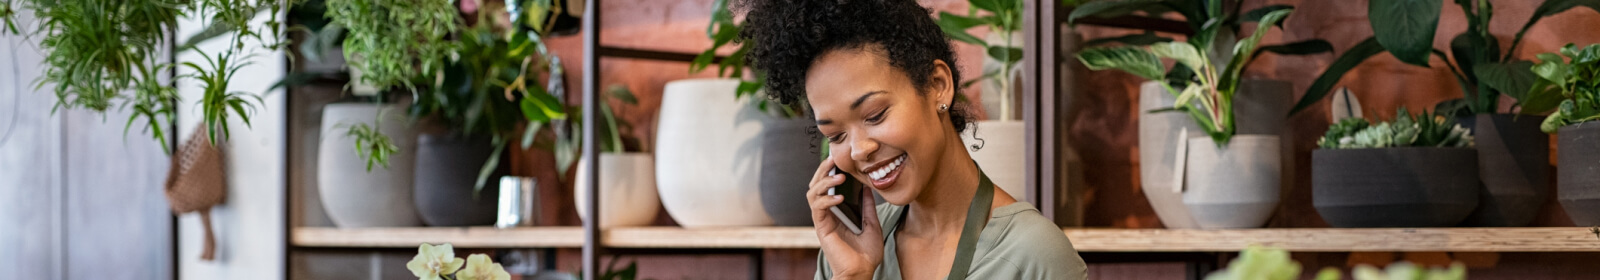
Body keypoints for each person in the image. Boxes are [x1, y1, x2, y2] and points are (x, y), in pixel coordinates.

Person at [737, 0, 1088, 279]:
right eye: (836, 135)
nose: (859, 150)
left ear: (938, 85)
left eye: (875, 115)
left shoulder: (1034, 256)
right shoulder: (846, 256)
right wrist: (852, 275)